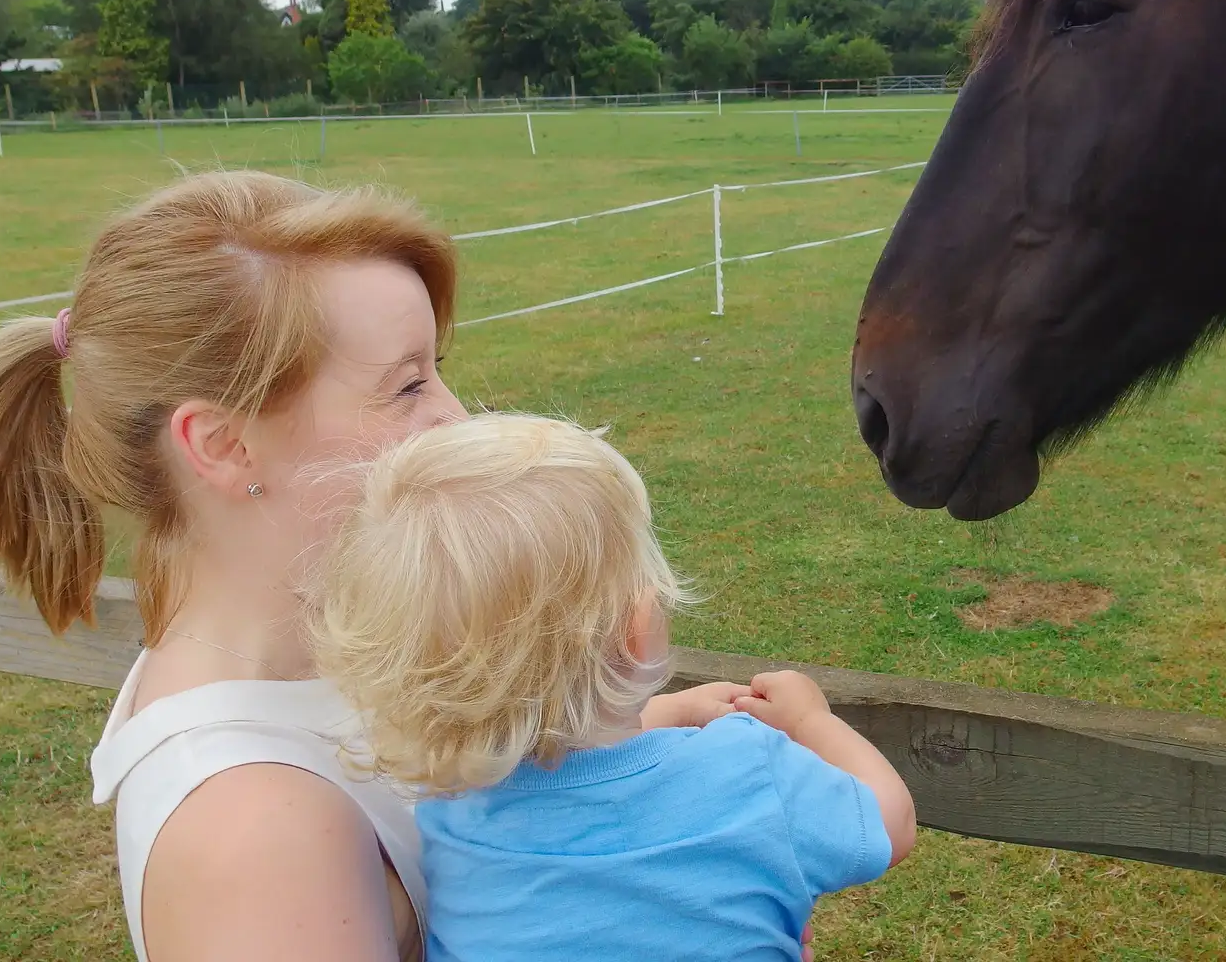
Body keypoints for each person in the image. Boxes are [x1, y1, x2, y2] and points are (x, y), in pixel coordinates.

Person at [0, 170, 753, 962]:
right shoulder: (255, 826)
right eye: (408, 385)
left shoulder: (338, 651)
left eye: (437, 367)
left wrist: (648, 724)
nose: (453, 415)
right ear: (222, 444)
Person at [309, 411, 917, 962]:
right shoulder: (746, 770)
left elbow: (565, 758)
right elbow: (888, 826)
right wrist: (811, 722)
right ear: (638, 629)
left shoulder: (457, 814)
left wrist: (670, 711)